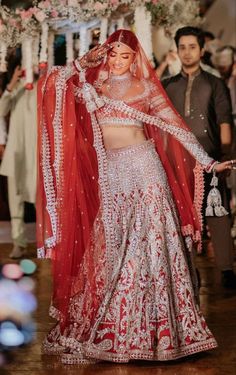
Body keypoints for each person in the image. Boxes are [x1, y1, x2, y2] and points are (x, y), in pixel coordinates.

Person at [37, 29, 234, 365]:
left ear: (135, 58)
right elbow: (53, 85)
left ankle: (158, 332)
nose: (116, 61)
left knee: (152, 243)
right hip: (113, 173)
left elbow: (175, 126)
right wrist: (82, 63)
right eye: (112, 54)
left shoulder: (145, 89)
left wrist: (208, 162)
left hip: (145, 169)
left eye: (124, 55)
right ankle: (119, 323)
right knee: (116, 245)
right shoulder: (92, 85)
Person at [162, 26, 236, 288]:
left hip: (210, 157)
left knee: (217, 211)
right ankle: (185, 267)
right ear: (177, 50)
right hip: (176, 160)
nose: (188, 52)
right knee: (182, 213)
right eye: (182, 47)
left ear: (202, 50)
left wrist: (225, 154)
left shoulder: (214, 84)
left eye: (192, 47)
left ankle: (227, 269)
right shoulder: (168, 86)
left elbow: (225, 121)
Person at [0, 64, 37, 258]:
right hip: (16, 151)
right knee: (15, 200)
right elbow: (1, 109)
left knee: (41, 199)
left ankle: (46, 242)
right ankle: (18, 242)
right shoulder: (16, 88)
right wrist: (13, 82)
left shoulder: (45, 86)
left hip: (37, 152)